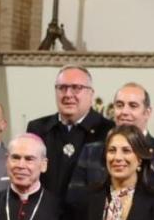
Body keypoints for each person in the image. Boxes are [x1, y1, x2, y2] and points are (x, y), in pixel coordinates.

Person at [67, 82, 154, 203]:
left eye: (133, 106)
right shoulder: (91, 151)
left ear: (147, 113)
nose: (124, 112)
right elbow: (75, 200)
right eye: (119, 105)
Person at [26, 65, 109, 197]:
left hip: (88, 216)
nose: (68, 94)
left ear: (91, 93)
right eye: (62, 88)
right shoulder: (38, 129)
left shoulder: (108, 131)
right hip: (44, 214)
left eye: (76, 88)